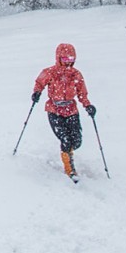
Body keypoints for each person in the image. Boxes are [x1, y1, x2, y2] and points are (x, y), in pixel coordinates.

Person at [31, 42, 97, 180]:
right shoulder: (50, 72)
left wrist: (87, 105)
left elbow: (82, 93)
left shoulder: (76, 74)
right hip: (54, 110)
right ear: (59, 58)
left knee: (77, 141)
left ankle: (69, 153)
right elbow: (39, 82)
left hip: (71, 110)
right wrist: (37, 92)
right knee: (65, 139)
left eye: (71, 60)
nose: (68, 63)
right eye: (65, 59)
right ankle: (70, 169)